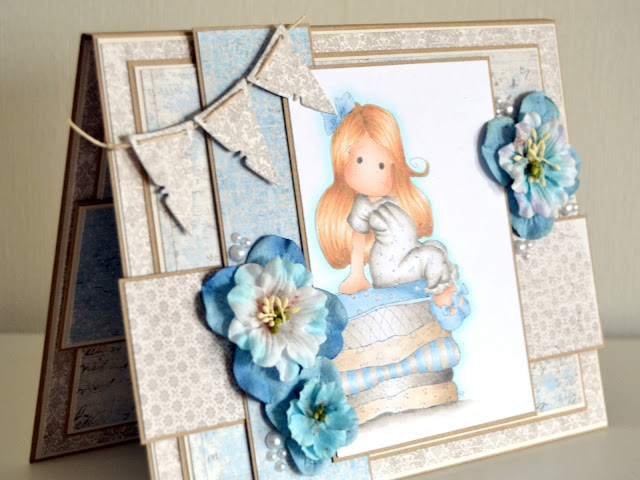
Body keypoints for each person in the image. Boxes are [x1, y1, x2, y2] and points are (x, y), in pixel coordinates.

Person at [316, 101, 459, 310]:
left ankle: (447, 287)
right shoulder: (364, 205)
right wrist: (357, 276)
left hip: (405, 257)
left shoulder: (388, 201)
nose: (375, 173)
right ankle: (442, 295)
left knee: (436, 246)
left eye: (382, 165)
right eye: (360, 161)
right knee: (432, 255)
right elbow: (358, 239)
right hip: (391, 270)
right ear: (342, 162)